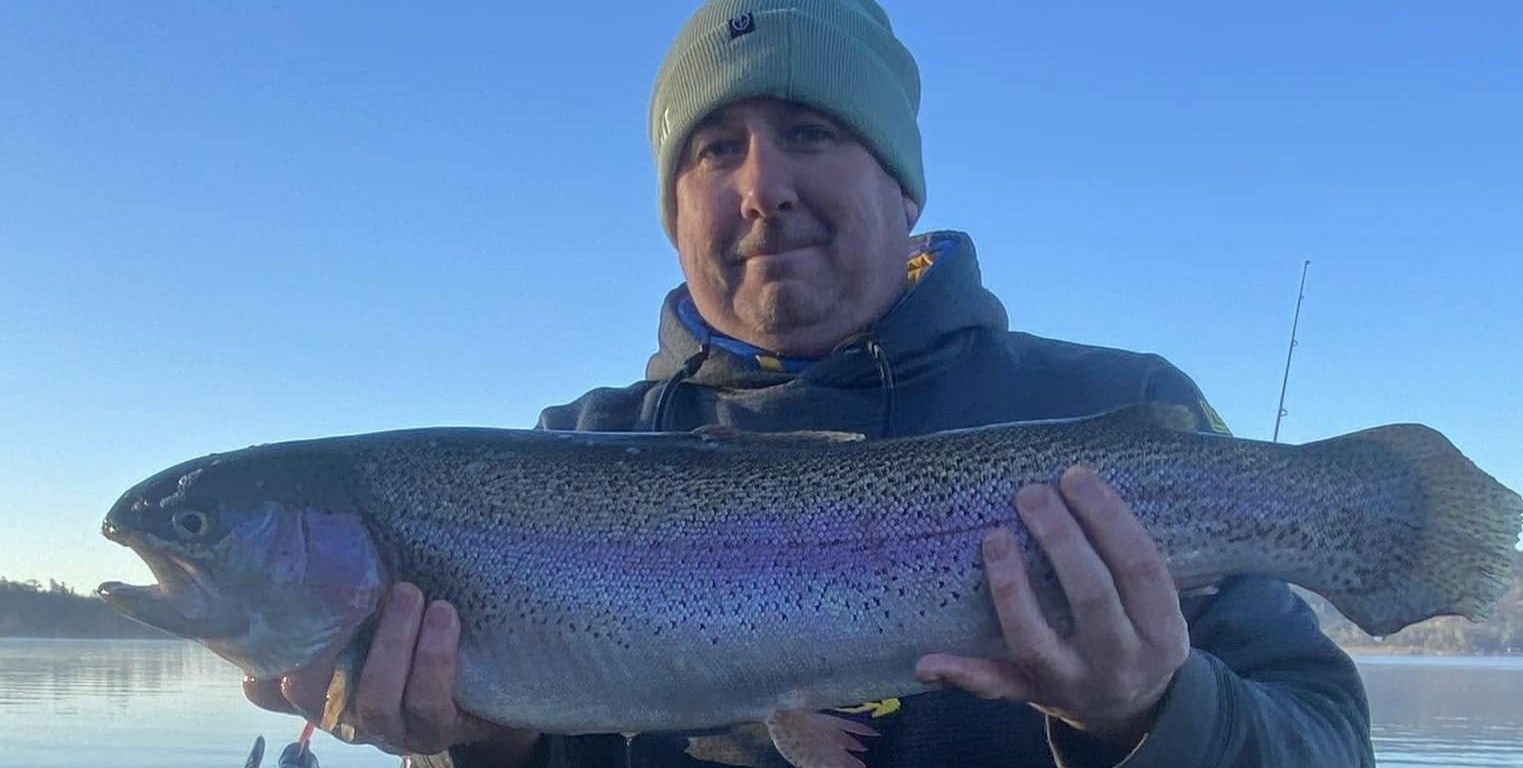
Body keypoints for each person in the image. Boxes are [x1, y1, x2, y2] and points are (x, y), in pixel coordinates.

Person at [246, 1, 1375, 765]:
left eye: (809, 132)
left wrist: (1150, 713)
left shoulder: (1114, 420)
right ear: (673, 207)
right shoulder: (569, 448)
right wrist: (484, 747)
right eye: (713, 148)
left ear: (902, 185)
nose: (761, 185)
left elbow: (1334, 744)